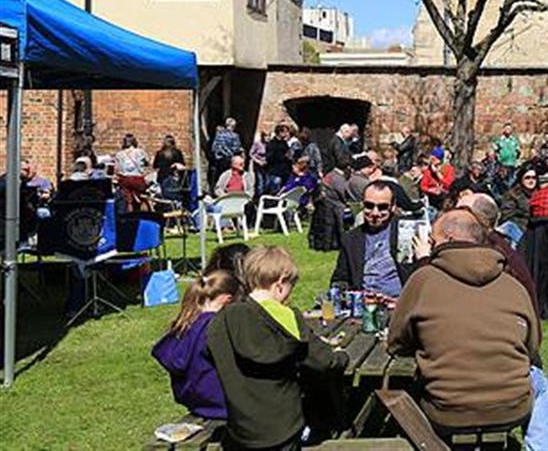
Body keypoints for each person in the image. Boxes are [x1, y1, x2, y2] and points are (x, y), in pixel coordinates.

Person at [387, 210, 541, 439]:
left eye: (432, 240)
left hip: (447, 411)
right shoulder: (513, 285)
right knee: (539, 380)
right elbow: (532, 347)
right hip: (512, 408)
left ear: (448, 240)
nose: (429, 246)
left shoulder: (423, 280)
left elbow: (396, 343)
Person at [207, 246, 349, 450]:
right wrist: (341, 357)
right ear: (281, 283)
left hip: (241, 428)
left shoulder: (222, 320)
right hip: (282, 426)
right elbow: (322, 361)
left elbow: (210, 352)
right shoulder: (286, 317)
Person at [152, 270, 242, 420]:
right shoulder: (218, 328)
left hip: (195, 402)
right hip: (223, 404)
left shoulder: (185, 325)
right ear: (228, 300)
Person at [329, 181, 413, 296]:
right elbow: (340, 278)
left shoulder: (407, 231)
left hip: (399, 303)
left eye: (382, 207)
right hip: (364, 304)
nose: (375, 213)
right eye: (369, 206)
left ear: (393, 207)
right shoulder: (350, 239)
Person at [498, 168, 538, 244]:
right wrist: (524, 214)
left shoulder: (540, 194)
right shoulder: (513, 194)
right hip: (517, 230)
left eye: (534, 178)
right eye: (527, 178)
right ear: (521, 179)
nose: (531, 180)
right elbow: (507, 215)